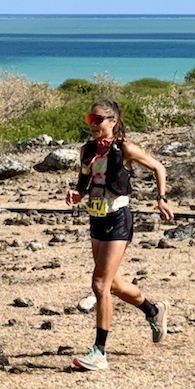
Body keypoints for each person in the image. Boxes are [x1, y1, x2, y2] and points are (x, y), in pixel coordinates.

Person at [64, 99, 174, 371]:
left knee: (99, 285)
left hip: (118, 219)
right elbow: (85, 182)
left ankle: (99, 352)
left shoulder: (125, 148)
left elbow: (158, 167)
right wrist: (77, 195)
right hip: (96, 219)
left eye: (99, 119)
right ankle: (153, 311)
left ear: (112, 121)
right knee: (112, 284)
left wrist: (160, 199)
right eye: (91, 119)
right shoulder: (87, 150)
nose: (93, 124)